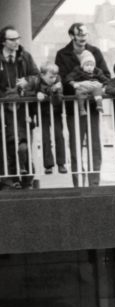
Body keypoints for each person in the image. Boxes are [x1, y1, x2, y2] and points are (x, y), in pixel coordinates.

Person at [0, 26, 37, 188]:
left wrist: (27, 82)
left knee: (23, 141)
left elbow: (37, 76)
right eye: (12, 39)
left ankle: (27, 178)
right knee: (8, 142)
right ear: (3, 42)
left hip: (23, 108)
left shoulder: (25, 56)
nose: (17, 42)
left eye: (18, 38)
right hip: (3, 108)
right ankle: (12, 178)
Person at [63, 49, 106, 187]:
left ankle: (94, 183)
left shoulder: (96, 53)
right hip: (74, 109)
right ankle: (78, 182)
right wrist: (78, 85)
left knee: (94, 145)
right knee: (76, 145)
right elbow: (64, 78)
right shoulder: (63, 55)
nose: (83, 38)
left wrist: (101, 87)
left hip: (93, 108)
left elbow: (107, 77)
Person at [26, 63, 67, 176]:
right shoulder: (35, 81)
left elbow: (58, 100)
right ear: (42, 75)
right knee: (45, 138)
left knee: (59, 136)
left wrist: (52, 93)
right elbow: (26, 94)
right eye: (50, 77)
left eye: (55, 76)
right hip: (42, 113)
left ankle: (61, 163)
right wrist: (36, 94)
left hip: (55, 113)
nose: (53, 79)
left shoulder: (58, 81)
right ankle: (48, 165)